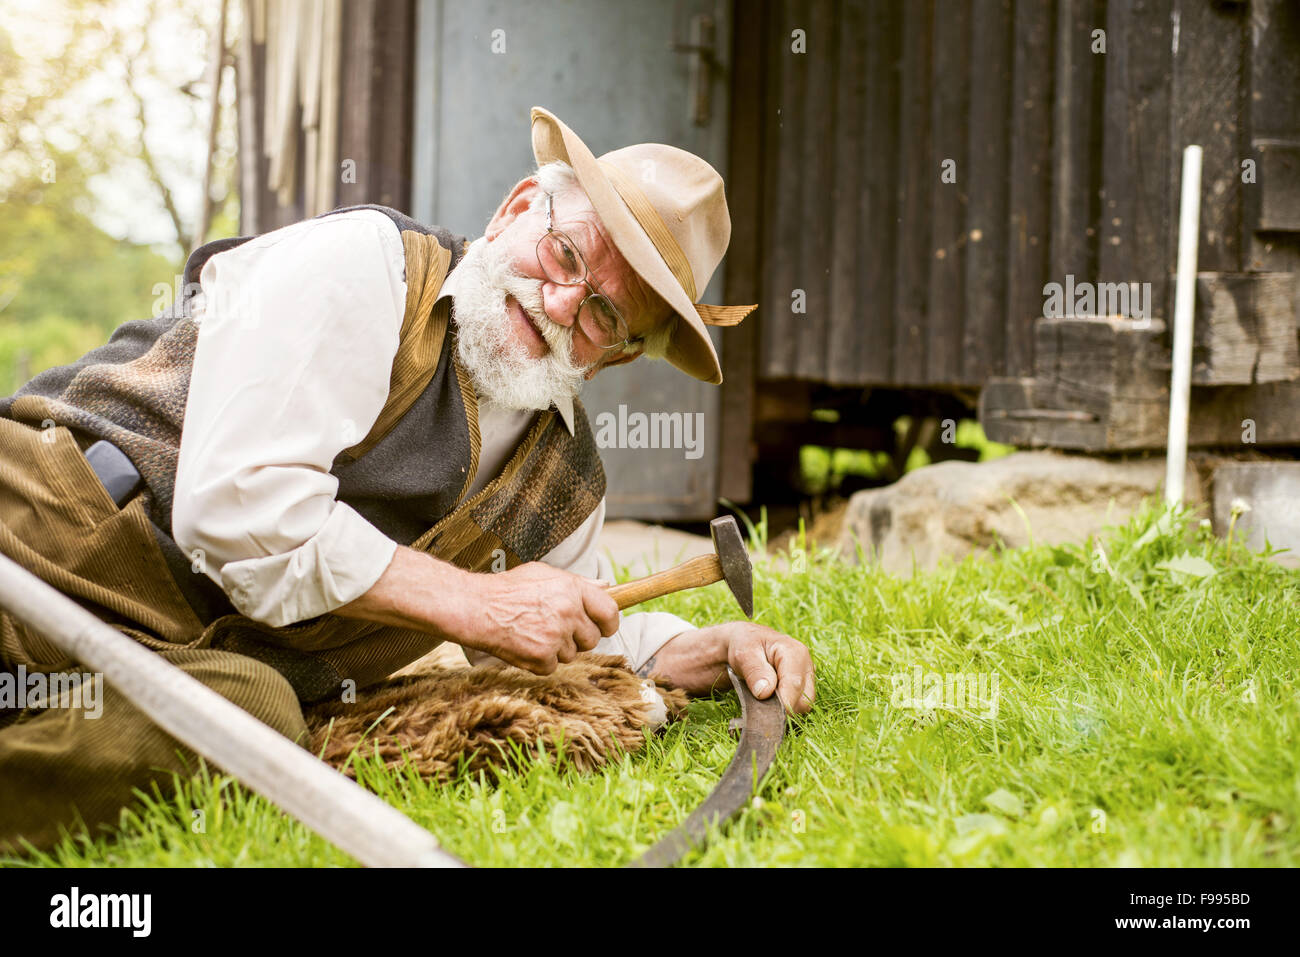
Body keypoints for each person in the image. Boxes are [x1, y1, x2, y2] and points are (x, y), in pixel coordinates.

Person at [0, 107, 814, 852]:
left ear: (619, 354)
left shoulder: (559, 478)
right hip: (52, 527)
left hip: (178, 653)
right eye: (566, 253)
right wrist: (476, 603)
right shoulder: (367, 268)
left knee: (252, 717)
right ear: (518, 207)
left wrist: (699, 647)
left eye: (605, 313)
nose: (563, 302)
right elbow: (235, 504)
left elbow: (576, 621)